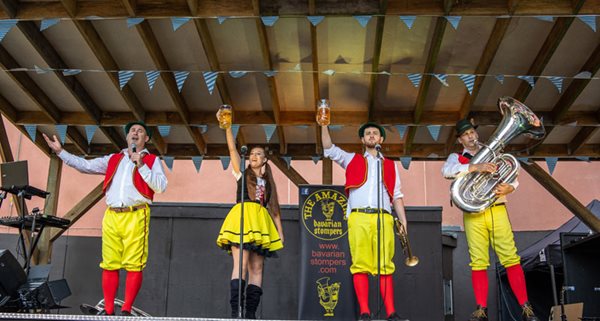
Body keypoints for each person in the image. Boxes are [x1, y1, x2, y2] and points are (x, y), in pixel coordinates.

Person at [43, 121, 167, 316]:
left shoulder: (152, 160)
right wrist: (60, 152)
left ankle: (126, 310)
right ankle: (108, 311)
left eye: (140, 131)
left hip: (136, 214)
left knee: (134, 263)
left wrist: (141, 165)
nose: (135, 133)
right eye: (132, 130)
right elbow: (85, 165)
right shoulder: (113, 159)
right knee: (109, 263)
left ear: (146, 138)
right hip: (111, 215)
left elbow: (160, 186)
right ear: (127, 137)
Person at [441, 119, 539, 321]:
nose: (471, 136)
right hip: (473, 213)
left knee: (511, 258)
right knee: (478, 262)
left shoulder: (494, 153)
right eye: (466, 134)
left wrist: (510, 187)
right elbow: (446, 171)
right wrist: (475, 167)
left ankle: (526, 307)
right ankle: (481, 309)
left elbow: (514, 174)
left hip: (497, 208)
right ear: (460, 140)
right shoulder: (457, 157)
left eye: (472, 132)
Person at [320, 121, 407, 321]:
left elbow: (397, 195)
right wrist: (323, 125)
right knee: (359, 264)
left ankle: (391, 313)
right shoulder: (352, 159)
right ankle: (365, 312)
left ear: (381, 139)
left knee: (386, 264)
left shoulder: (391, 165)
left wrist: (403, 221)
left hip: (384, 217)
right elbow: (328, 148)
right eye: (367, 133)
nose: (371, 135)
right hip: (358, 216)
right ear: (362, 139)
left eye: (375, 133)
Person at [215, 110, 284, 319]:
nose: (253, 156)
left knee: (257, 267)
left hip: (261, 222)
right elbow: (231, 149)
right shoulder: (241, 174)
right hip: (243, 217)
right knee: (241, 264)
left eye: (258, 154)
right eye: (252, 153)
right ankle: (237, 311)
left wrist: (280, 234)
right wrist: (228, 128)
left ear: (265, 160)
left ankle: (250, 313)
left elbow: (274, 210)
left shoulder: (269, 182)